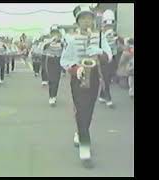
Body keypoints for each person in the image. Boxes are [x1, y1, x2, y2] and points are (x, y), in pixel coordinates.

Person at [60, 5, 112, 168]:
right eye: (83, 18)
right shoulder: (72, 38)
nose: (86, 21)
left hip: (95, 76)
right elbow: (64, 61)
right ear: (77, 21)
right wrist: (77, 69)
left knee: (88, 111)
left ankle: (80, 132)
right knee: (81, 110)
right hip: (79, 78)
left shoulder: (100, 36)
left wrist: (99, 52)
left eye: (89, 17)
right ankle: (85, 149)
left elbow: (109, 56)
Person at [98, 9, 118, 108]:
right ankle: (108, 98)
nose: (109, 27)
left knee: (109, 78)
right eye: (107, 25)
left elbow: (118, 46)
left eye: (111, 25)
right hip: (104, 59)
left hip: (113, 58)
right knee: (105, 78)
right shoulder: (100, 35)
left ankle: (102, 95)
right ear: (103, 24)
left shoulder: (115, 34)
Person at [43, 25, 65, 106]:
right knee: (51, 79)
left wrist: (61, 42)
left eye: (56, 32)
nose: (55, 34)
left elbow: (66, 48)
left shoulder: (62, 41)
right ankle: (51, 96)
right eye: (53, 33)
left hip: (58, 60)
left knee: (56, 79)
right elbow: (43, 47)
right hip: (50, 60)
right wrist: (51, 41)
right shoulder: (47, 40)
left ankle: (54, 96)